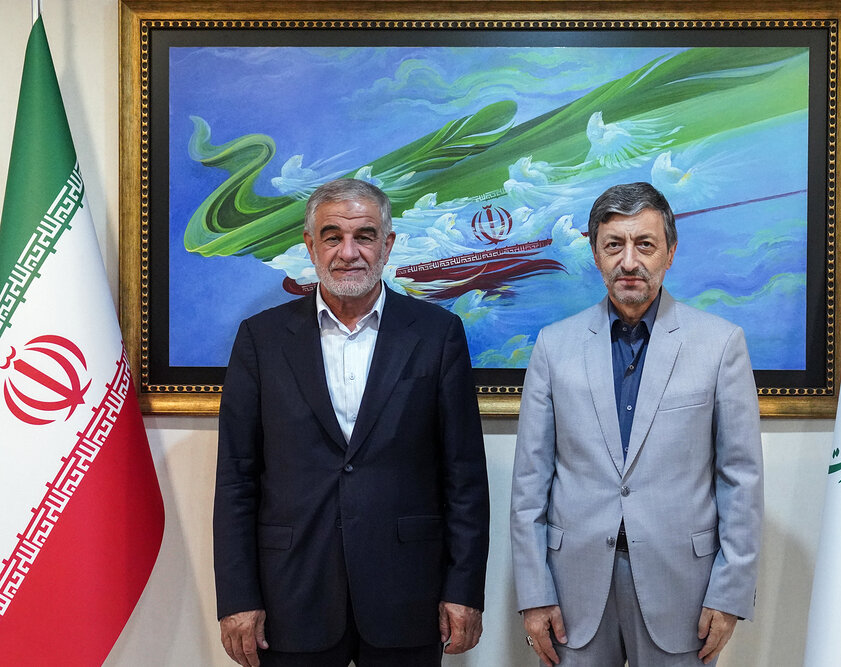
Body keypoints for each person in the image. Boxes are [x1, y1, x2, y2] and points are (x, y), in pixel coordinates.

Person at [213, 179, 490, 667]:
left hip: (408, 593)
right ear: (310, 245)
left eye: (364, 236)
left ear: (388, 245)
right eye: (332, 236)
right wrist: (237, 598)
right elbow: (236, 478)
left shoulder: (437, 333)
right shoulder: (262, 338)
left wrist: (464, 589)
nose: (348, 252)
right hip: (291, 594)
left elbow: (464, 476)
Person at [510, 182, 763, 666]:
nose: (629, 261)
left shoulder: (720, 344)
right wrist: (534, 591)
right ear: (595, 254)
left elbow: (741, 479)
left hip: (683, 588)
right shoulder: (553, 346)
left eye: (644, 244)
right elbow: (529, 483)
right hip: (573, 585)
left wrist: (730, 592)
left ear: (670, 252)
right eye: (614, 245)